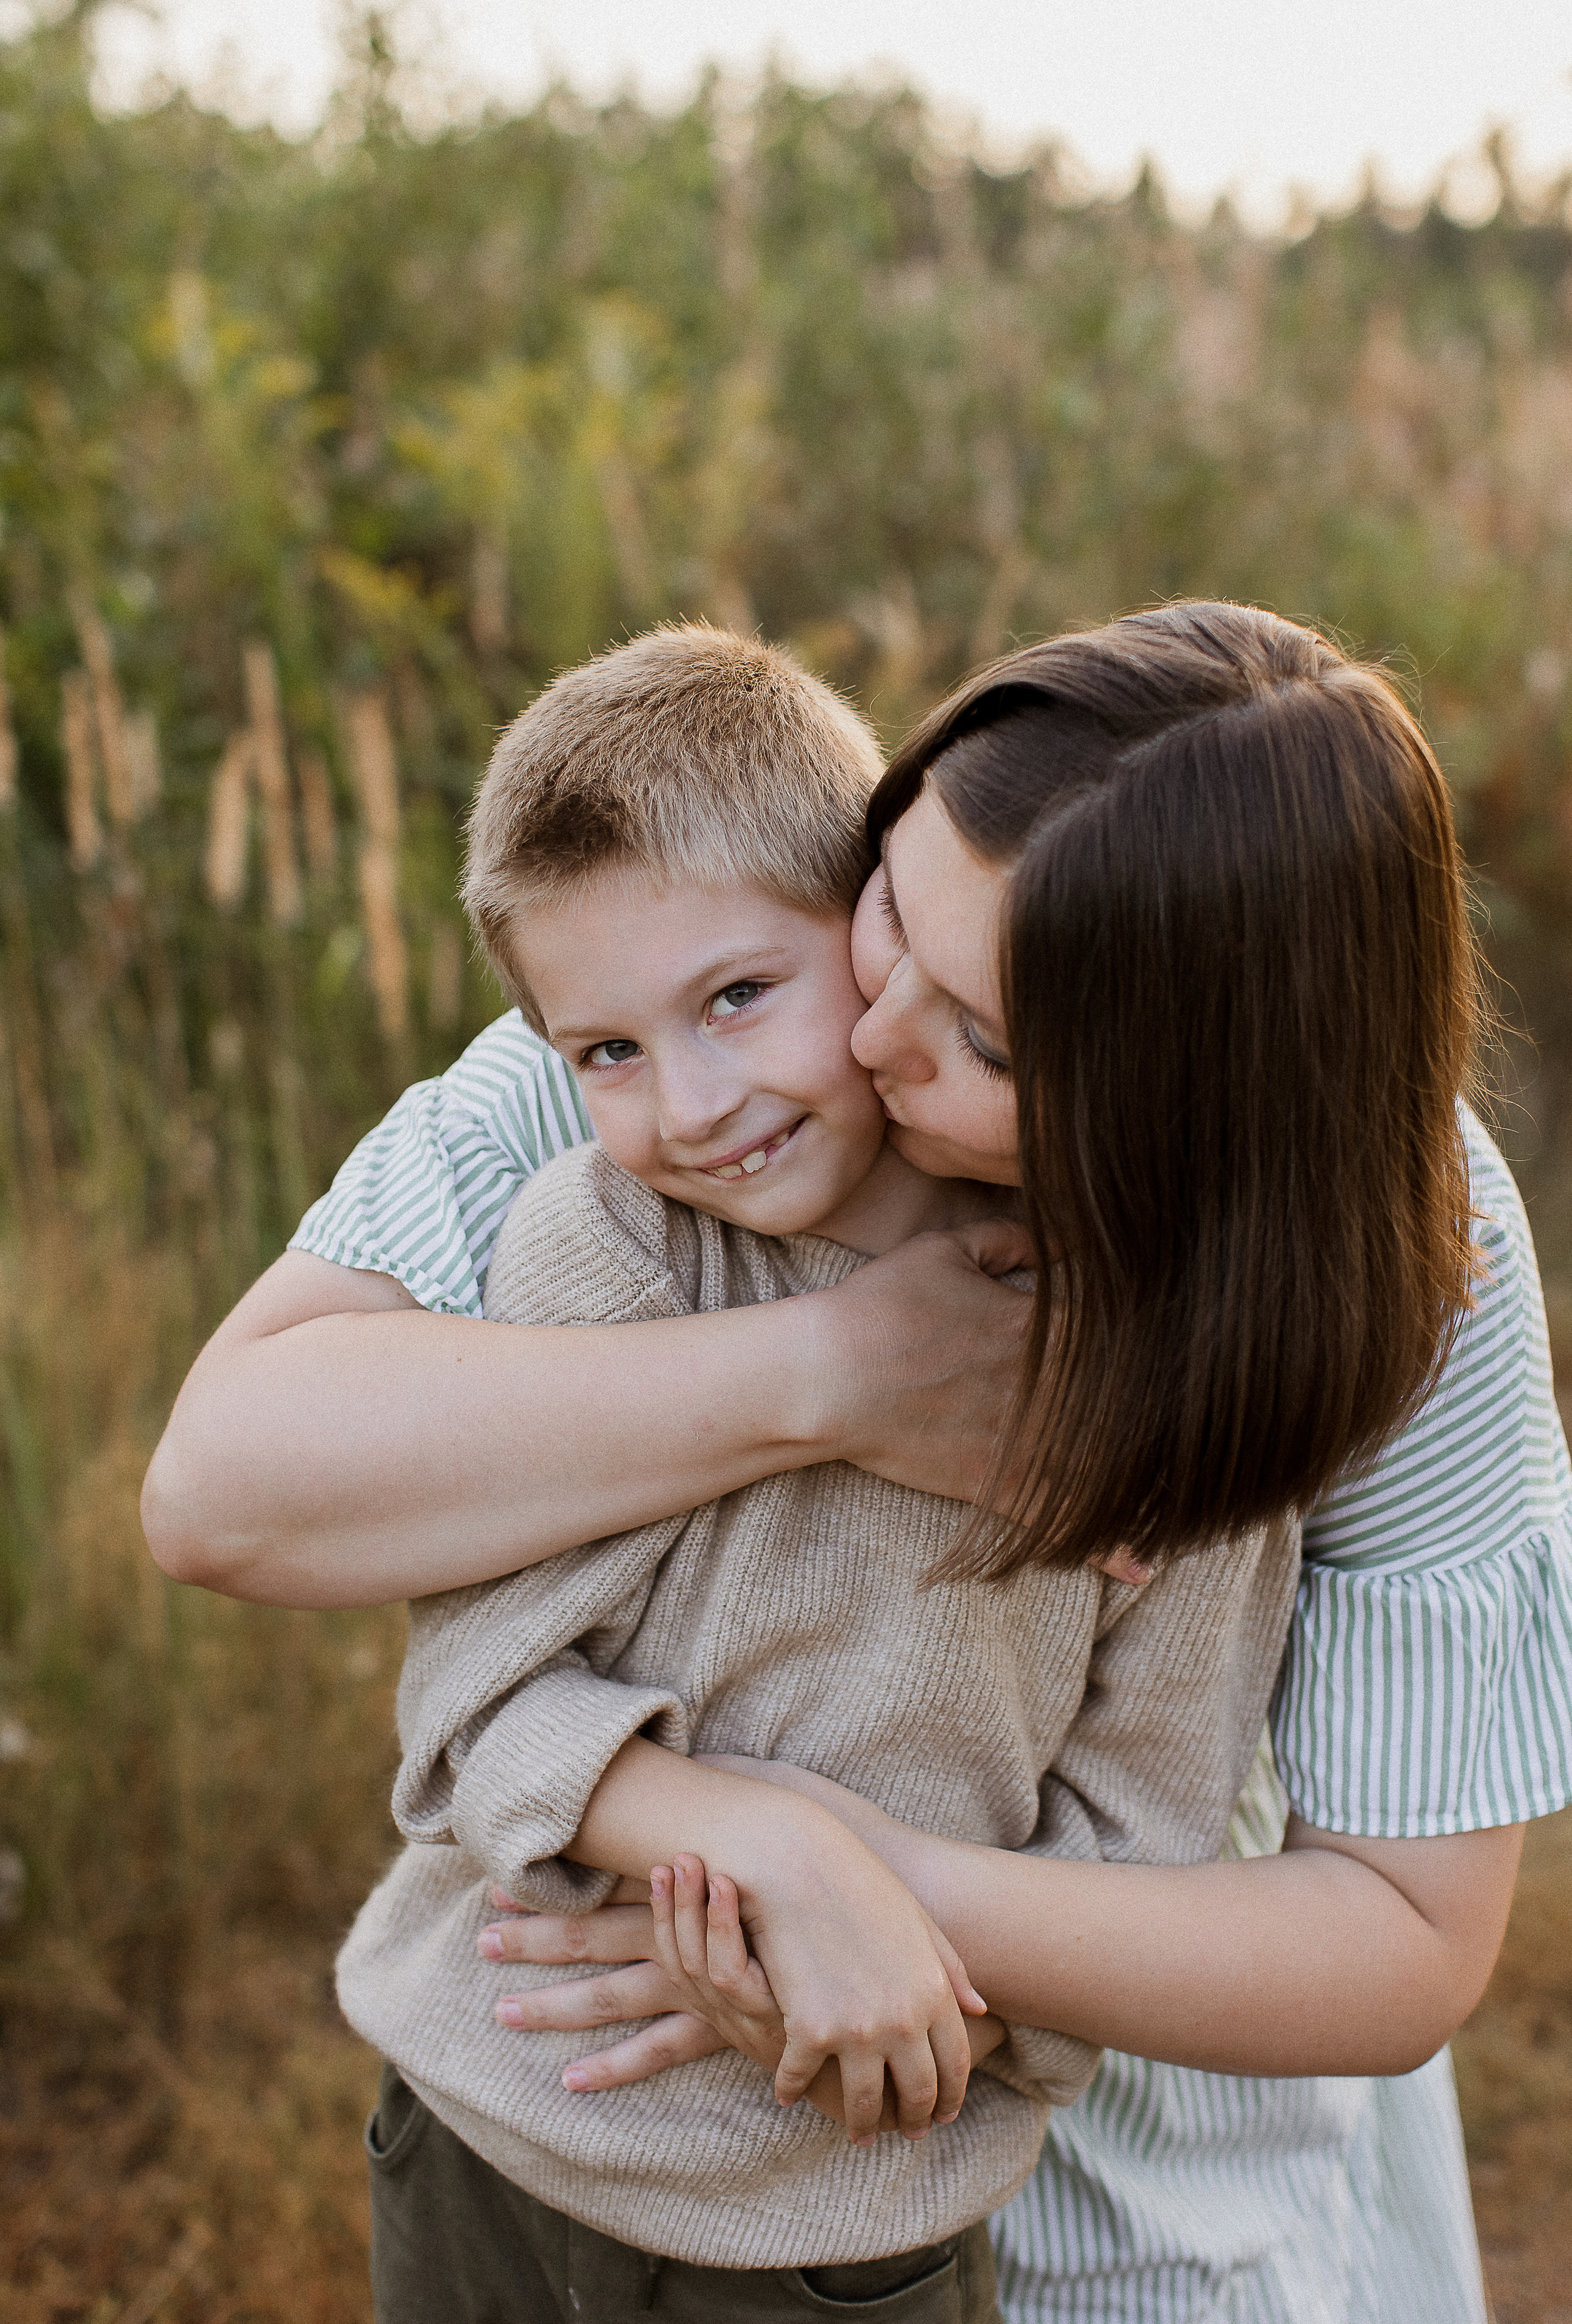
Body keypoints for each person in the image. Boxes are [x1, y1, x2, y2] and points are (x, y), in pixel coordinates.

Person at [142, 603, 1572, 2324]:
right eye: (894, 910)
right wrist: (838, 1374)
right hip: (598, 2135)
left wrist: (852, 1889)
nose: (879, 1033)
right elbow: (224, 1488)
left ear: (1180, 1121)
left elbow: (1401, 1935)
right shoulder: (716, 1018)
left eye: (981, 1044)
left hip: (1159, 2190)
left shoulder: (1388, 1255)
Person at [339, 622, 1301, 2321]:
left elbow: (1144, 1846)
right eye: (606, 1054)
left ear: (873, 927)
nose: (691, 1104)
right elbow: (473, 1697)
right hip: (487, 2110)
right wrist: (752, 1847)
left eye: (736, 998)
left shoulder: (1175, 1364)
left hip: (840, 2200)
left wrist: (932, 1988)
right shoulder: (604, 1251)